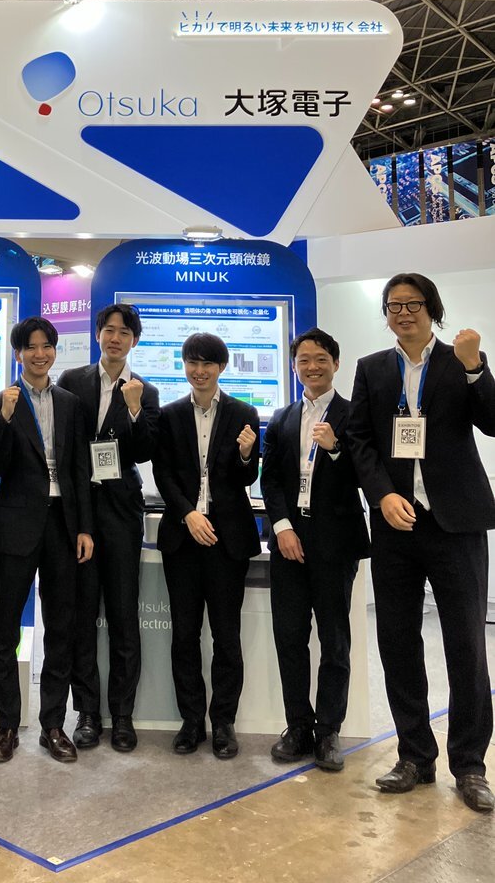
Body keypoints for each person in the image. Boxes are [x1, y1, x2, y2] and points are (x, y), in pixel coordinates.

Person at [348, 273, 495, 813]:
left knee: (466, 645)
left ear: (432, 309)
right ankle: (414, 756)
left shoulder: (461, 360)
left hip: (455, 523)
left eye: (413, 304)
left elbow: (493, 422)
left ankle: (470, 765)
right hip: (396, 524)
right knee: (398, 642)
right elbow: (360, 439)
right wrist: (383, 495)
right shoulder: (372, 368)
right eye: (394, 305)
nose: (403, 313)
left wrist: (477, 369)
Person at [0, 317, 94, 764]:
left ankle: (53, 725)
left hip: (62, 524)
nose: (39, 354)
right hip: (15, 525)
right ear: (18, 354)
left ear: (54, 351)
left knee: (61, 627)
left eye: (46, 346)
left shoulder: (69, 403)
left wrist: (84, 527)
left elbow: (80, 469)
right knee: (6, 626)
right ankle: (6, 726)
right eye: (30, 347)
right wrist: (6, 420)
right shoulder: (1, 402)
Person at [260, 328, 370, 772]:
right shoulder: (283, 418)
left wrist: (336, 449)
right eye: (304, 360)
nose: (312, 367)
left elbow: (367, 474)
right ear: (294, 366)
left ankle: (328, 731)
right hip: (290, 539)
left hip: (335, 543)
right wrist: (282, 527)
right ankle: (298, 726)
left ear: (336, 364)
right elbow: (270, 479)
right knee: (289, 637)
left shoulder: (354, 414)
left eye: (321, 359)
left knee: (334, 639)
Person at [152, 332, 259, 759]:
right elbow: (163, 473)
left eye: (207, 364)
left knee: (227, 636)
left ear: (221, 368)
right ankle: (192, 720)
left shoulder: (244, 413)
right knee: (185, 634)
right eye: (192, 363)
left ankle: (224, 722)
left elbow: (246, 478)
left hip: (226, 539)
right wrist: (188, 514)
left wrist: (247, 455)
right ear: (184, 366)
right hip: (184, 537)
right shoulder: (170, 414)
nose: (199, 371)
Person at [58, 303, 159, 753]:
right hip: (79, 510)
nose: (115, 338)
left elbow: (144, 451)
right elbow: (64, 444)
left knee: (122, 614)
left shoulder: (145, 390)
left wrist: (135, 410)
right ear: (98, 334)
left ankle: (121, 715)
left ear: (134, 340)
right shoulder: (72, 380)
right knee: (81, 614)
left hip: (120, 511)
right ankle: (85, 712)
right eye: (109, 330)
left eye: (124, 332)